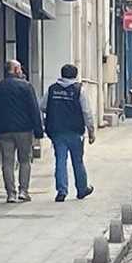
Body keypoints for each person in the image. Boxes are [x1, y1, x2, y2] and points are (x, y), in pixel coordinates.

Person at [0, 60, 44, 203]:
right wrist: (38, 130)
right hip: (24, 130)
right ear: (14, 69)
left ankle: (11, 194)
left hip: (4, 130)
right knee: (25, 160)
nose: (21, 70)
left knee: (7, 162)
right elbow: (34, 109)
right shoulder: (26, 87)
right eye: (19, 68)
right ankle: (23, 191)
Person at [41, 64, 95, 202]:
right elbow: (86, 112)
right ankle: (82, 189)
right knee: (78, 161)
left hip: (57, 131)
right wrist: (91, 130)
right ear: (75, 75)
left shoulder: (52, 89)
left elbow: (43, 106)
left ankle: (61, 191)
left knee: (60, 160)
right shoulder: (79, 90)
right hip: (75, 131)